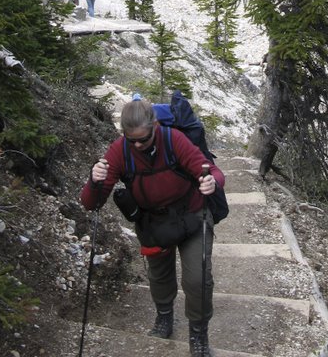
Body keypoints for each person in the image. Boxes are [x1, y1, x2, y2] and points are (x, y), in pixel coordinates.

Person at [80, 97, 224, 357]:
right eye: (130, 138)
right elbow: (92, 203)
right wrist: (94, 181)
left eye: (143, 139)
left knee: (198, 279)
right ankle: (164, 317)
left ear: (155, 126)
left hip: (191, 215)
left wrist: (211, 183)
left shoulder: (173, 140)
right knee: (158, 276)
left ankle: (198, 335)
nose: (137, 144)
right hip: (153, 223)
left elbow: (212, 171)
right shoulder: (119, 151)